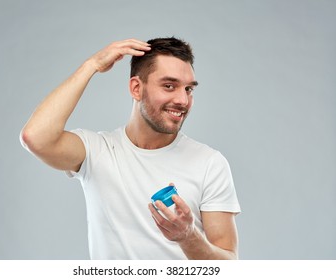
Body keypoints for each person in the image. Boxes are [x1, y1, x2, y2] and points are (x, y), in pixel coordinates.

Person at [20, 37, 241, 260]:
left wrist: (187, 236)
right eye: (169, 86)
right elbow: (36, 137)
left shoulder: (209, 163)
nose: (183, 100)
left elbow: (229, 265)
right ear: (136, 88)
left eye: (189, 89)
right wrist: (92, 65)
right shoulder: (98, 152)